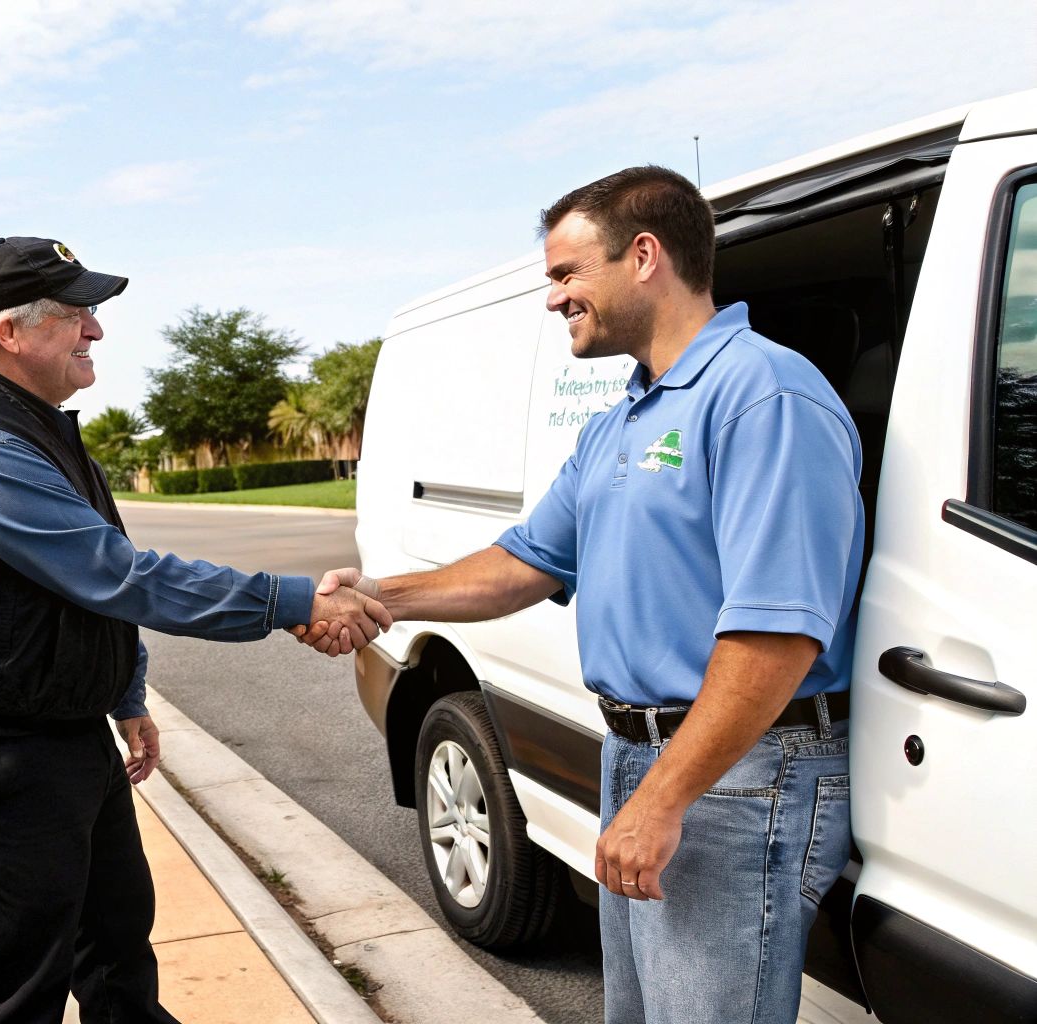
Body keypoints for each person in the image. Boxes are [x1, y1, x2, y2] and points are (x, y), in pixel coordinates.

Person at [298, 167, 863, 1023]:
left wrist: (665, 797)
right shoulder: (624, 419)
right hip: (638, 754)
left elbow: (776, 636)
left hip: (738, 772)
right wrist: (380, 596)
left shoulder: (763, 395)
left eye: (566, 274)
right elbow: (523, 562)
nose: (553, 298)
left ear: (644, 257)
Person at [0, 235, 391, 1024]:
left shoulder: (38, 423)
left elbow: (91, 591)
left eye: (91, 312)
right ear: (10, 332)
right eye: (74, 313)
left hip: (60, 735)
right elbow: (120, 575)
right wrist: (296, 601)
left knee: (118, 947)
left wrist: (125, 697)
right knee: (22, 982)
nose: (95, 330)